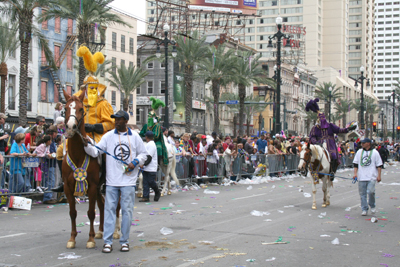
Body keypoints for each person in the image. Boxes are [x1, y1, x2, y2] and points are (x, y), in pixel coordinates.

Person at [83, 110, 147, 253]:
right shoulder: (108, 136)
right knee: (109, 211)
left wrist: (135, 162)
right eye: (115, 120)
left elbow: (143, 154)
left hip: (128, 182)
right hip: (112, 181)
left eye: (119, 120)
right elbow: (95, 151)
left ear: (125, 120)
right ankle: (108, 242)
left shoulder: (135, 137)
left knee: (127, 212)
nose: (116, 122)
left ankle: (124, 241)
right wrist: (87, 144)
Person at [306, 98, 356, 178]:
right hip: (319, 145)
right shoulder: (314, 128)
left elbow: (339, 130)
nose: (321, 120)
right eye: (319, 119)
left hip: (330, 145)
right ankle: (312, 171)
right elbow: (312, 137)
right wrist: (316, 142)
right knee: (312, 157)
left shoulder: (330, 126)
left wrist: (348, 129)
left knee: (334, 156)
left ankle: (332, 171)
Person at [353, 138, 383, 216]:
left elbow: (379, 165)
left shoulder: (375, 152)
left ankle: (372, 205)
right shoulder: (359, 152)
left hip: (372, 176)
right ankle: (364, 208)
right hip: (362, 176)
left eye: (364, 143)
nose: (362, 144)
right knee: (362, 194)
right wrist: (355, 173)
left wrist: (379, 175)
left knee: (370, 191)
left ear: (368, 143)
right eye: (361, 143)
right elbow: (355, 164)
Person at [139, 131, 161, 202]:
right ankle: (146, 196)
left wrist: (143, 164)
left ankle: (157, 191)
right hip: (147, 168)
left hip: (151, 167)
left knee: (151, 181)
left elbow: (149, 157)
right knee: (145, 182)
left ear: (146, 137)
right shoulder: (148, 144)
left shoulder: (151, 144)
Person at [0, 113, 9, 186]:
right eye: (4, 118)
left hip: (2, 149)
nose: (5, 120)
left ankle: (2, 186)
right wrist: (3, 137)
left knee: (2, 169)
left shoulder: (1, 126)